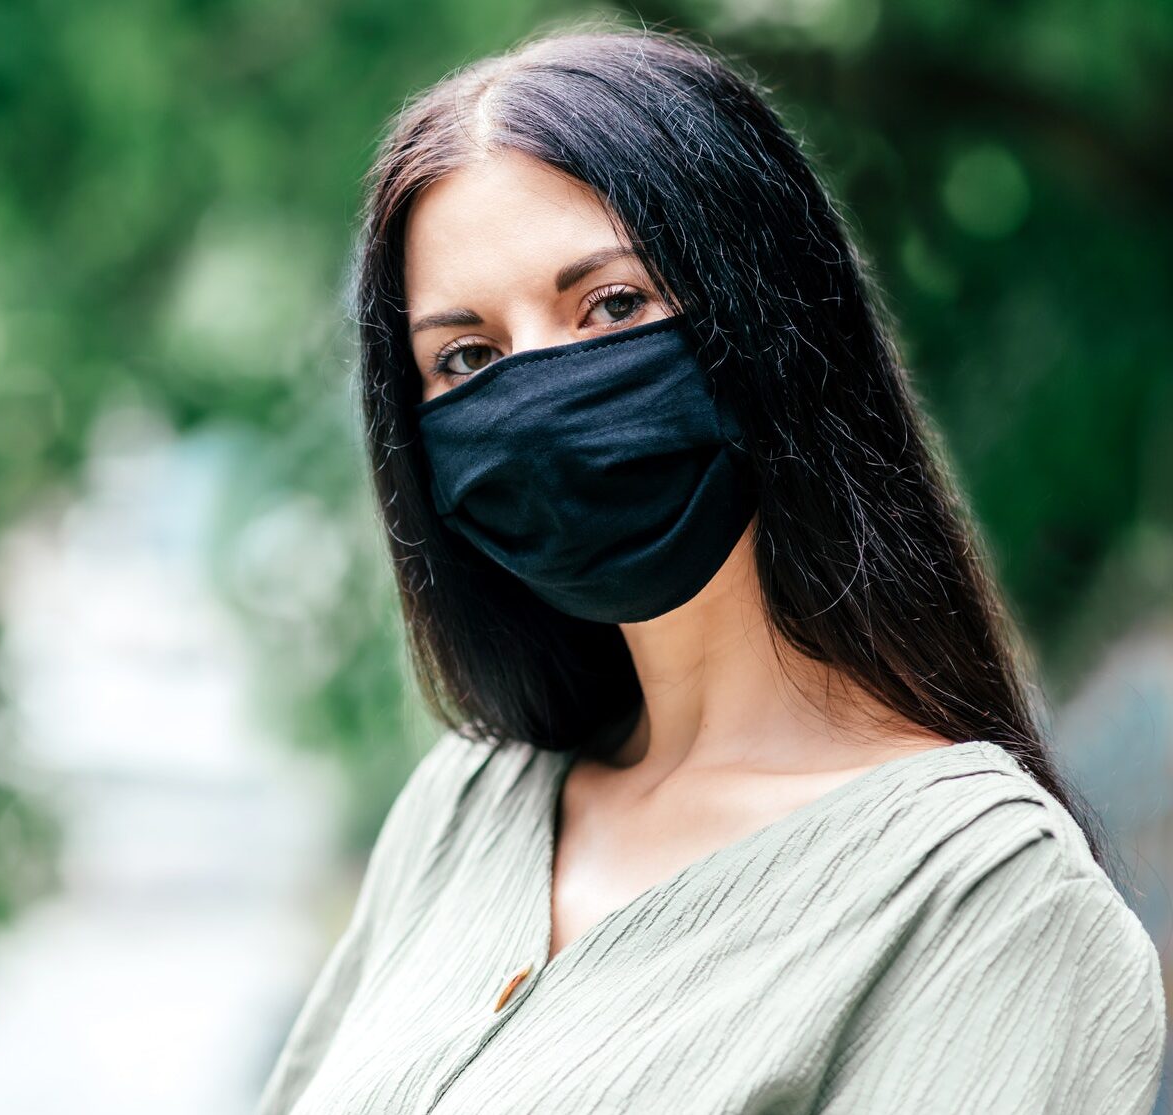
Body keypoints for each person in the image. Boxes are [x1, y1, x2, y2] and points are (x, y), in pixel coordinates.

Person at [253, 20, 1167, 1115]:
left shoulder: (983, 896)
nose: (541, 399)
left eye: (612, 304)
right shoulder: (464, 804)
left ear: (768, 316)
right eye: (466, 357)